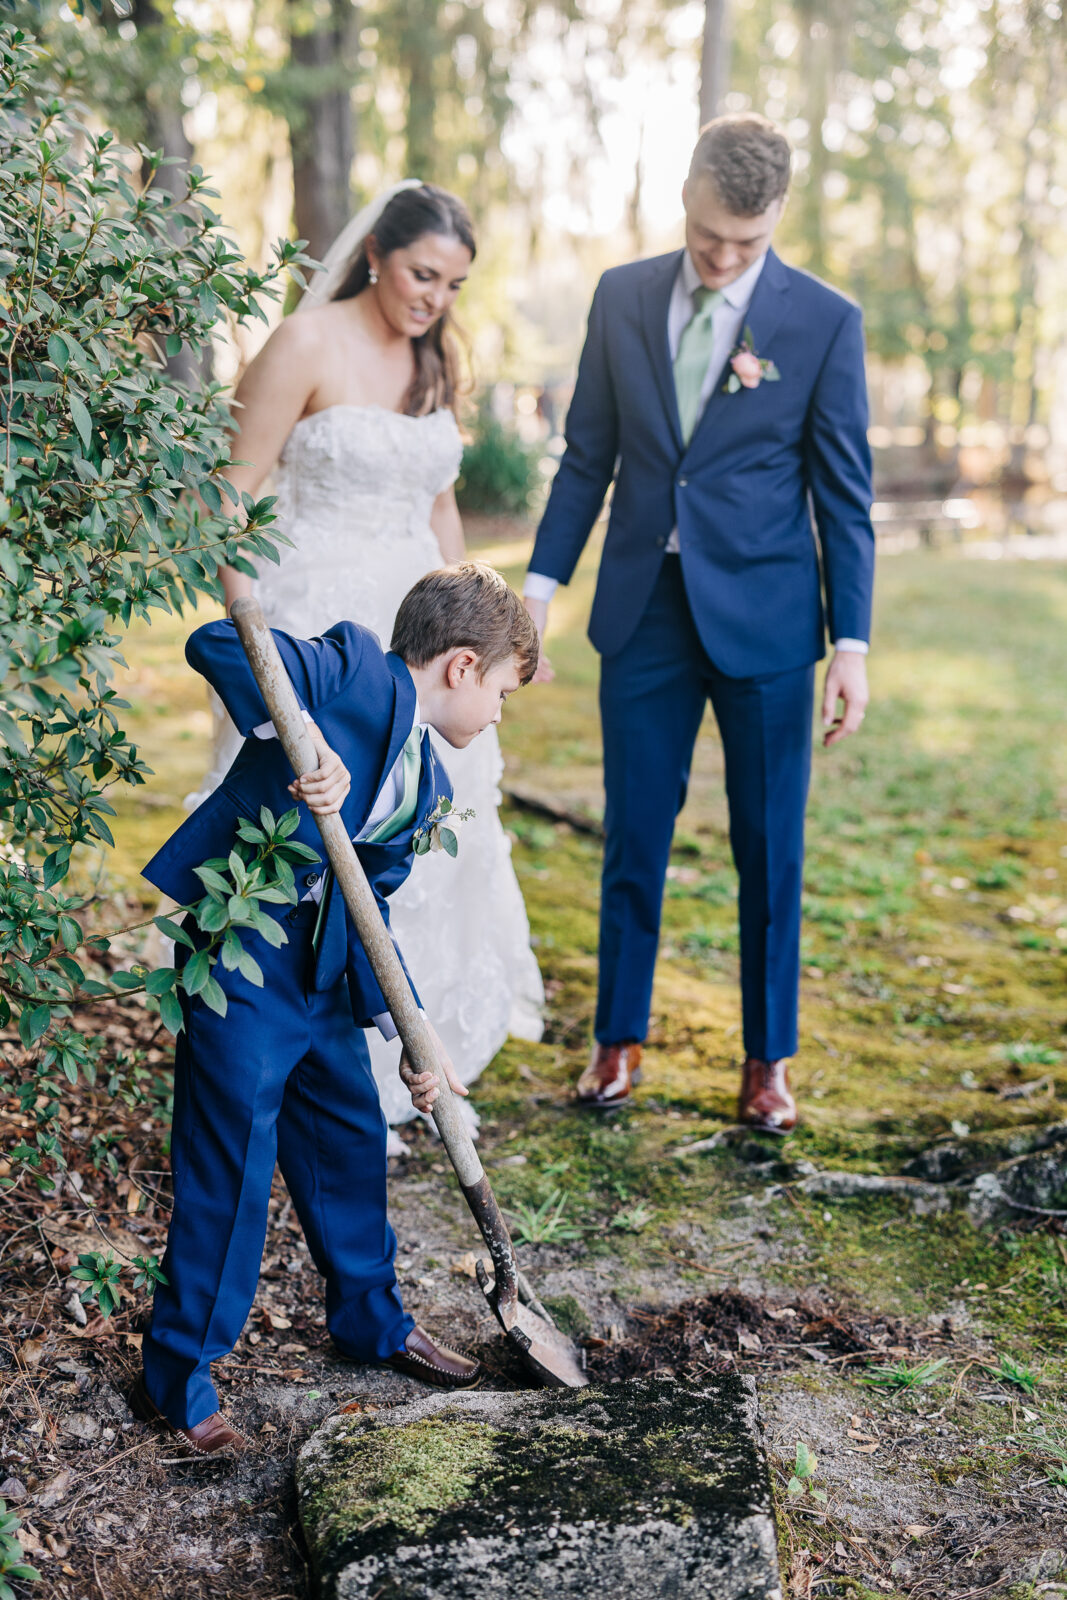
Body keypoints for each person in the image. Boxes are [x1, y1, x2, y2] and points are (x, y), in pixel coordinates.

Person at [131, 563, 540, 1454]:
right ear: (463, 666)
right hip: (241, 949)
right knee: (234, 1154)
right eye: (504, 693)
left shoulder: (425, 783)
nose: (500, 714)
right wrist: (302, 732)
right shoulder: (350, 668)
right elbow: (217, 643)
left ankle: (369, 1318)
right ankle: (178, 1368)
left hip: (319, 972)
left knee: (348, 1137)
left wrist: (408, 1030)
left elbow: (368, 906)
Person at [523, 115, 875, 1131]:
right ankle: (616, 1039)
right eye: (708, 234)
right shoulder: (620, 295)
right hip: (640, 611)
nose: (722, 260)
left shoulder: (822, 321)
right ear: (684, 194)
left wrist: (848, 645)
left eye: (746, 244)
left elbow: (841, 497)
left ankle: (766, 1061)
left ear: (777, 221)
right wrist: (539, 589)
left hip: (767, 621)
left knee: (769, 847)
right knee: (633, 828)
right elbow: (586, 455)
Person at [192, 181, 544, 1147]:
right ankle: (293, 1059)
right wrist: (255, 629)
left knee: (427, 823)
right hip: (310, 618)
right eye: (424, 274)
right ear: (378, 253)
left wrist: (490, 626)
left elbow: (438, 512)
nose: (435, 298)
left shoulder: (433, 360)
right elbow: (233, 491)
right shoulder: (305, 345)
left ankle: (411, 1063)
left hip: (425, 634)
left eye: (454, 284)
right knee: (312, 832)